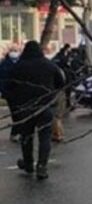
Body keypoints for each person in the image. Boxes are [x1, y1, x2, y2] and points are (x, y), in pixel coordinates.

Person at [8, 41, 64, 179]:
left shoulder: (19, 67)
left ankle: (28, 163)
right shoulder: (49, 65)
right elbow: (61, 82)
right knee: (44, 137)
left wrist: (17, 100)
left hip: (26, 107)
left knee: (26, 136)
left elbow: (9, 86)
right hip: (45, 106)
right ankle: (42, 166)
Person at [51, 44, 73, 143]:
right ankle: (59, 134)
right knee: (57, 116)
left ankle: (57, 134)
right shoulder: (64, 60)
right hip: (60, 90)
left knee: (55, 116)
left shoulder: (55, 59)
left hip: (53, 91)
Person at [0, 48, 18, 142]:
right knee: (17, 114)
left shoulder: (4, 64)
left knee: (16, 113)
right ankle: (15, 133)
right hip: (14, 93)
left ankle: (15, 133)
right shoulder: (17, 63)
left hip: (7, 93)